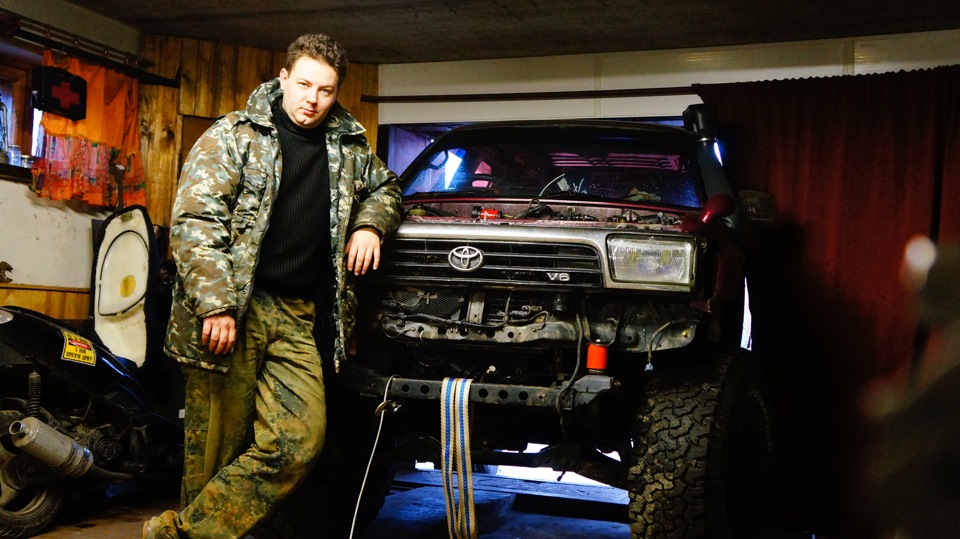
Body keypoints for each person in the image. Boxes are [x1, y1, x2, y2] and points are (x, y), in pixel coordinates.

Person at [143, 33, 402, 539]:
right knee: (215, 450)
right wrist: (216, 305)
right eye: (303, 84)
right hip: (234, 308)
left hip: (298, 314)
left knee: (299, 441)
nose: (312, 99)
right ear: (283, 78)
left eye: (325, 90)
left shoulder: (349, 147)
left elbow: (387, 187)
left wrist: (369, 225)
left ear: (337, 92)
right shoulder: (234, 135)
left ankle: (181, 535)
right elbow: (196, 223)